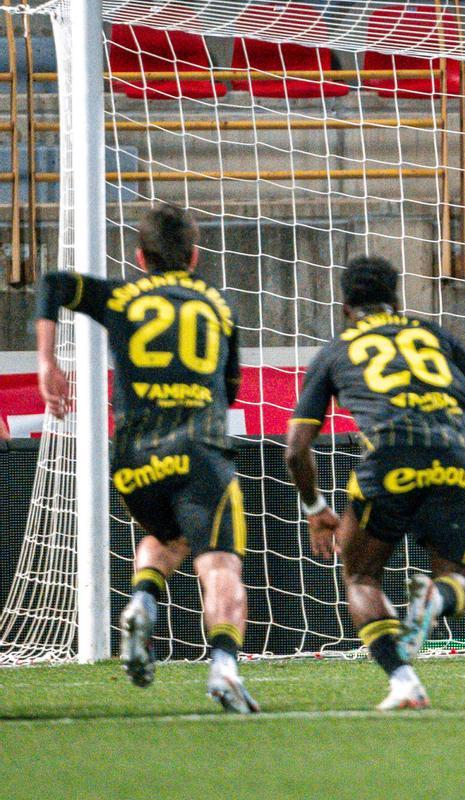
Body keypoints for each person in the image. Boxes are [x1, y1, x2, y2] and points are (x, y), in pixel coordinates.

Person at [36, 203, 258, 713]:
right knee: (219, 563)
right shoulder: (219, 305)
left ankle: (143, 600)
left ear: (140, 256)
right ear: (195, 256)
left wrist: (48, 360)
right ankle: (224, 668)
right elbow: (233, 388)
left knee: (166, 538)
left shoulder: (122, 295)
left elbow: (52, 281)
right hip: (199, 450)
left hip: (134, 456)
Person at [285, 255, 465, 711]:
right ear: (396, 300)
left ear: (344, 307)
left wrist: (316, 509)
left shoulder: (335, 351)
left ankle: (403, 679)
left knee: (360, 576)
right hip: (461, 457)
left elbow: (295, 449)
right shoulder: (431, 334)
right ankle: (434, 598)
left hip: (390, 459)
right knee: (458, 577)